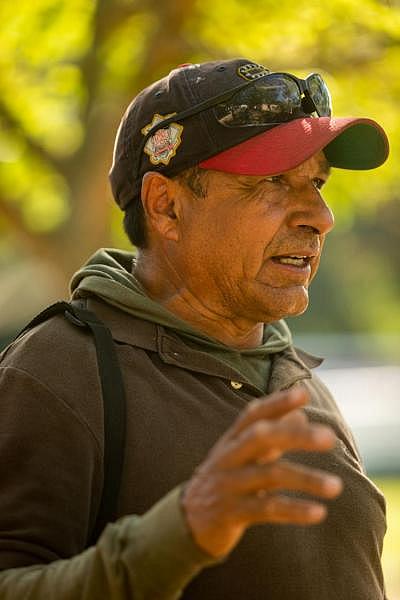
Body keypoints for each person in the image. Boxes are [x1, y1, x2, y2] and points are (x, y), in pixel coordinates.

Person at [0, 58, 390, 600]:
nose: (320, 216)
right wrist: (179, 534)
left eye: (317, 182)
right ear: (166, 207)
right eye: (274, 181)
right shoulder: (62, 371)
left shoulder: (299, 379)